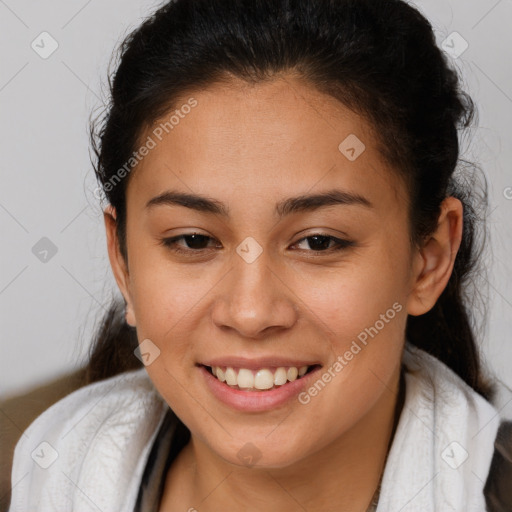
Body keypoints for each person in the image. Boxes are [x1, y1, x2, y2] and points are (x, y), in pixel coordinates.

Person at [7, 0, 512, 510]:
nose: (250, 314)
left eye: (318, 242)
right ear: (123, 260)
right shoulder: (38, 478)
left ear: (428, 257)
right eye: (194, 240)